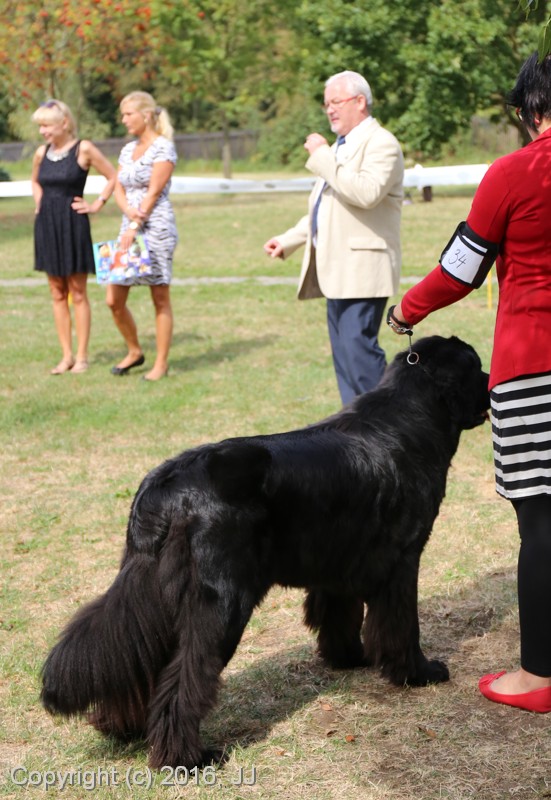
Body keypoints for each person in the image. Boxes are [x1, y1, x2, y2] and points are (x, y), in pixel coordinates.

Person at [388, 51, 551, 713]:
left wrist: (406, 310)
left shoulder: (512, 174)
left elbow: (461, 270)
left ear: (529, 110)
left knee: (541, 522)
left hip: (533, 365)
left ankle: (539, 677)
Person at [263, 70, 404, 405]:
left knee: (359, 353)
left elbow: (366, 193)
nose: (329, 109)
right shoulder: (341, 147)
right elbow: (324, 208)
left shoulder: (381, 143)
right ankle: (354, 427)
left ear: (360, 101)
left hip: (362, 268)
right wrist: (289, 240)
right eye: (326, 103)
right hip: (337, 269)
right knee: (345, 361)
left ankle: (386, 422)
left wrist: (323, 156)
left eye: (336, 102)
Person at [31, 99, 117, 374]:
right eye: (40, 126)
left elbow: (113, 176)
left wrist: (97, 204)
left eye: (47, 125)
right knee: (57, 292)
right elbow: (35, 181)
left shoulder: (84, 149)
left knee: (78, 292)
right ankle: (66, 356)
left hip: (73, 223)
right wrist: (39, 203)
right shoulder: (41, 153)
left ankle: (81, 357)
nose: (43, 131)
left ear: (64, 122)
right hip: (47, 225)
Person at [108, 91, 178, 381]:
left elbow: (154, 191)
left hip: (156, 228)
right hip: (129, 229)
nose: (124, 120)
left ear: (146, 115)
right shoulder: (127, 150)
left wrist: (135, 225)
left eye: (128, 114)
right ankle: (135, 351)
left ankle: (161, 364)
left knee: (159, 296)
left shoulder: (163, 148)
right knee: (113, 298)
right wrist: (128, 217)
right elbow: (118, 186)